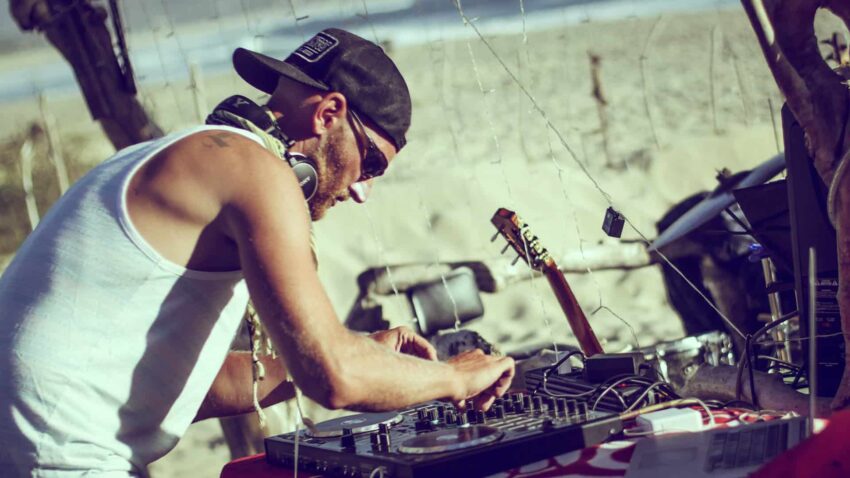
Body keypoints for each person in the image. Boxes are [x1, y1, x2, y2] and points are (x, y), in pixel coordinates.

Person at [0, 28, 515, 477]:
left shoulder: (180, 155)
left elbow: (184, 385)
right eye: (373, 164)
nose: (363, 190)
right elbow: (333, 379)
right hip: (61, 459)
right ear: (329, 113)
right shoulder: (255, 172)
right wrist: (454, 377)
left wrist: (367, 352)